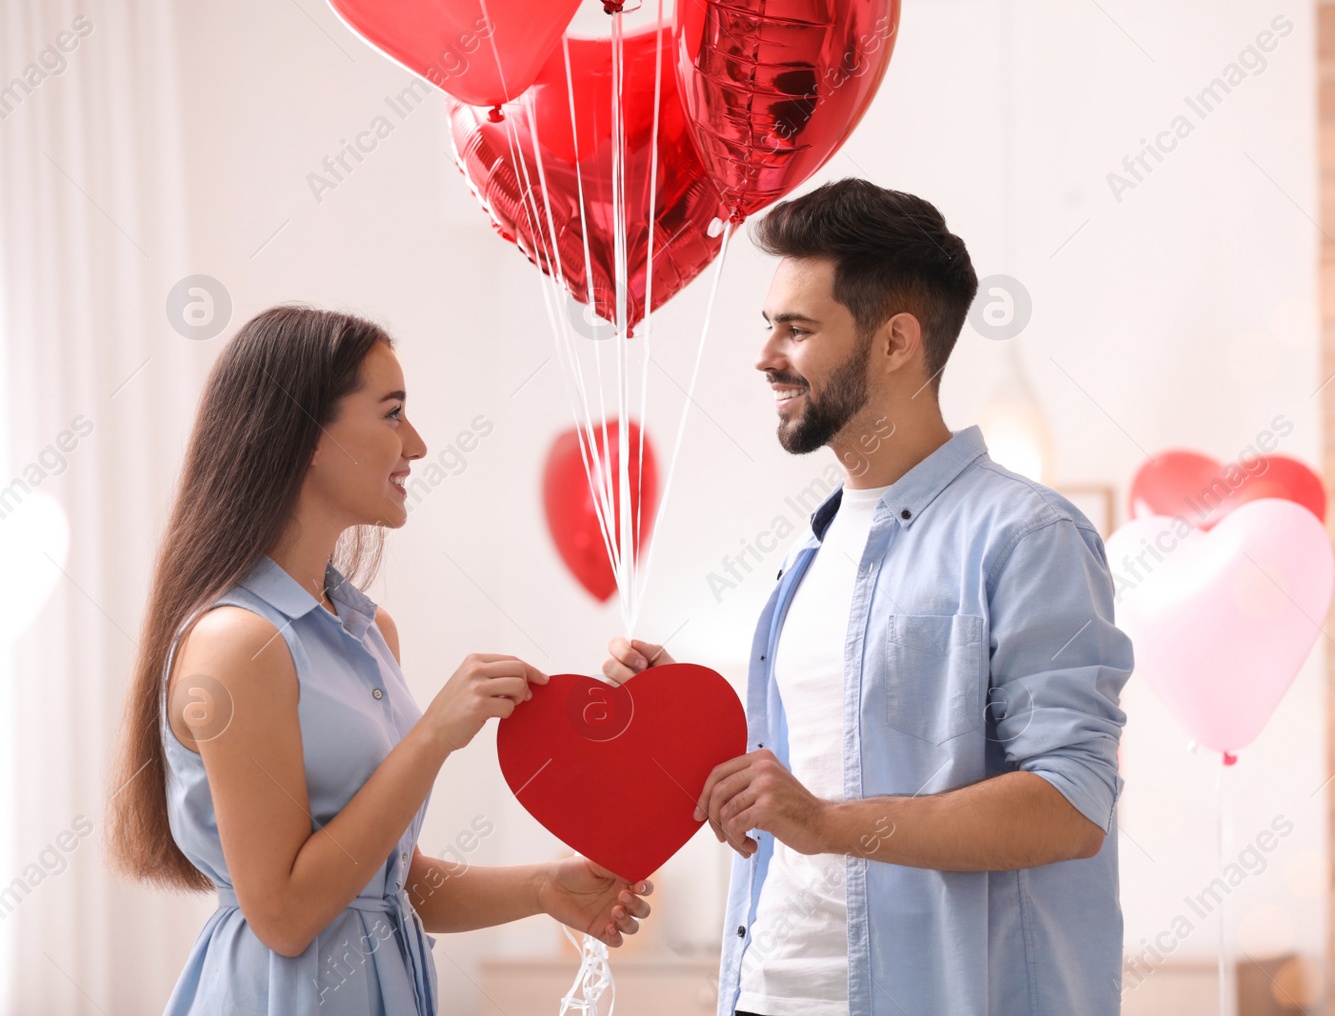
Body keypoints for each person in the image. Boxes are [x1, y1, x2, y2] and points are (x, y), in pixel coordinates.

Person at [603, 178, 1134, 1016]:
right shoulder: (806, 556)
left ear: (895, 342)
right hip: (770, 993)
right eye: (769, 325)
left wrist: (827, 824)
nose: (765, 354)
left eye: (798, 328)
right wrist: (678, 714)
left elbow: (1070, 805)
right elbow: (806, 779)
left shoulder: (1028, 536)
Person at [105, 306, 652, 1016]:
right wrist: (432, 739)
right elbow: (286, 915)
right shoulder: (237, 645)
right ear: (302, 434)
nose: (418, 444)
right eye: (392, 413)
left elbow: (385, 881)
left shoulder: (367, 631)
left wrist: (545, 888)